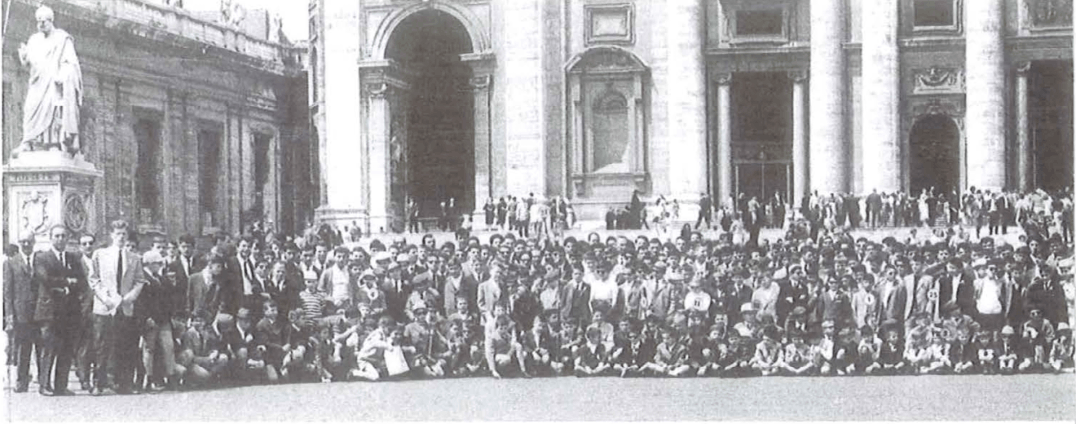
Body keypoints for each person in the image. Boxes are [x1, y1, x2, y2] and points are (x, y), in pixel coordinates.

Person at [14, 5, 83, 157]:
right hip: (37, 83)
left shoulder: (62, 38)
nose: (41, 25)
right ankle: (29, 141)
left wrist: (64, 74)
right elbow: (29, 63)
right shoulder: (34, 40)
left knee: (53, 110)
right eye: (38, 22)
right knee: (29, 108)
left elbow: (71, 62)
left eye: (44, 22)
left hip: (53, 83)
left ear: (51, 21)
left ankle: (52, 143)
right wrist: (24, 57)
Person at [87, 220, 147, 394]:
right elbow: (94, 279)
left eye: (124, 234)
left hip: (125, 306)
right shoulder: (100, 254)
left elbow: (139, 280)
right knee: (101, 345)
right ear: (112, 235)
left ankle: (124, 383)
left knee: (125, 345)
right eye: (118, 234)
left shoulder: (134, 258)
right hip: (105, 307)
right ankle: (99, 382)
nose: (121, 237)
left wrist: (129, 298)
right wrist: (106, 298)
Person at [33, 224, 87, 396]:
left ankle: (61, 385)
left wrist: (68, 283)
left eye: (63, 236)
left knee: (66, 348)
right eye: (57, 236)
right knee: (48, 348)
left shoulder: (73, 257)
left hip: (70, 310)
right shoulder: (42, 257)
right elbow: (45, 278)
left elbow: (81, 281)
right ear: (51, 238)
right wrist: (66, 282)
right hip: (49, 310)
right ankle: (44, 385)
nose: (60, 239)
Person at [4, 233, 40, 393]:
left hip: (39, 311)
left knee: (41, 347)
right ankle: (22, 381)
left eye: (29, 242)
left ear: (34, 243)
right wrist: (9, 315)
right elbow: (8, 291)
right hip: (21, 313)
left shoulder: (39, 261)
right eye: (23, 242)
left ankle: (43, 382)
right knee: (23, 348)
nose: (26, 244)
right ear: (19, 243)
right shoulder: (11, 263)